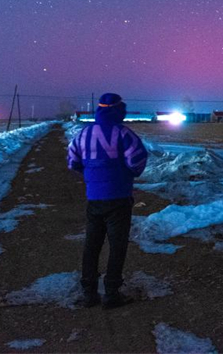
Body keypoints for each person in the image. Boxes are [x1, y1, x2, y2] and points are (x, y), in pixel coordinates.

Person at [67, 92, 148, 309]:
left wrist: (91, 175)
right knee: (117, 245)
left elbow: (72, 161)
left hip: (94, 198)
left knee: (92, 245)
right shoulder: (124, 133)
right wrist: (126, 174)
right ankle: (111, 293)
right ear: (119, 110)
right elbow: (138, 160)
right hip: (119, 197)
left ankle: (89, 292)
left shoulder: (83, 134)